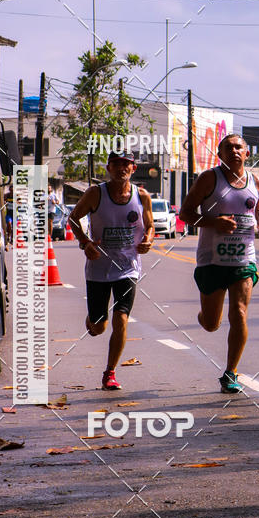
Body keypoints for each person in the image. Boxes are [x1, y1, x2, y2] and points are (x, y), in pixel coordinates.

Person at [179, 134, 259, 393]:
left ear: (247, 153)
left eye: (239, 147)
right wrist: (213, 222)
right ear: (219, 155)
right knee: (211, 323)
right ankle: (206, 316)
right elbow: (185, 213)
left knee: (239, 312)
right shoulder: (209, 179)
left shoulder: (256, 182)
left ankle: (231, 372)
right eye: (228, 148)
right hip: (212, 260)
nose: (234, 151)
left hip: (244, 259)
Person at [68, 151, 154, 390]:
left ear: (133, 169)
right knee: (99, 326)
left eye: (126, 164)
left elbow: (149, 225)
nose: (121, 168)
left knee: (121, 318)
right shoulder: (95, 193)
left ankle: (110, 373)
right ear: (108, 168)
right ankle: (93, 320)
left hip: (128, 268)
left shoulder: (142, 196)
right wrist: (85, 242)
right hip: (99, 268)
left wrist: (148, 240)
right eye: (116, 164)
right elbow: (73, 218)